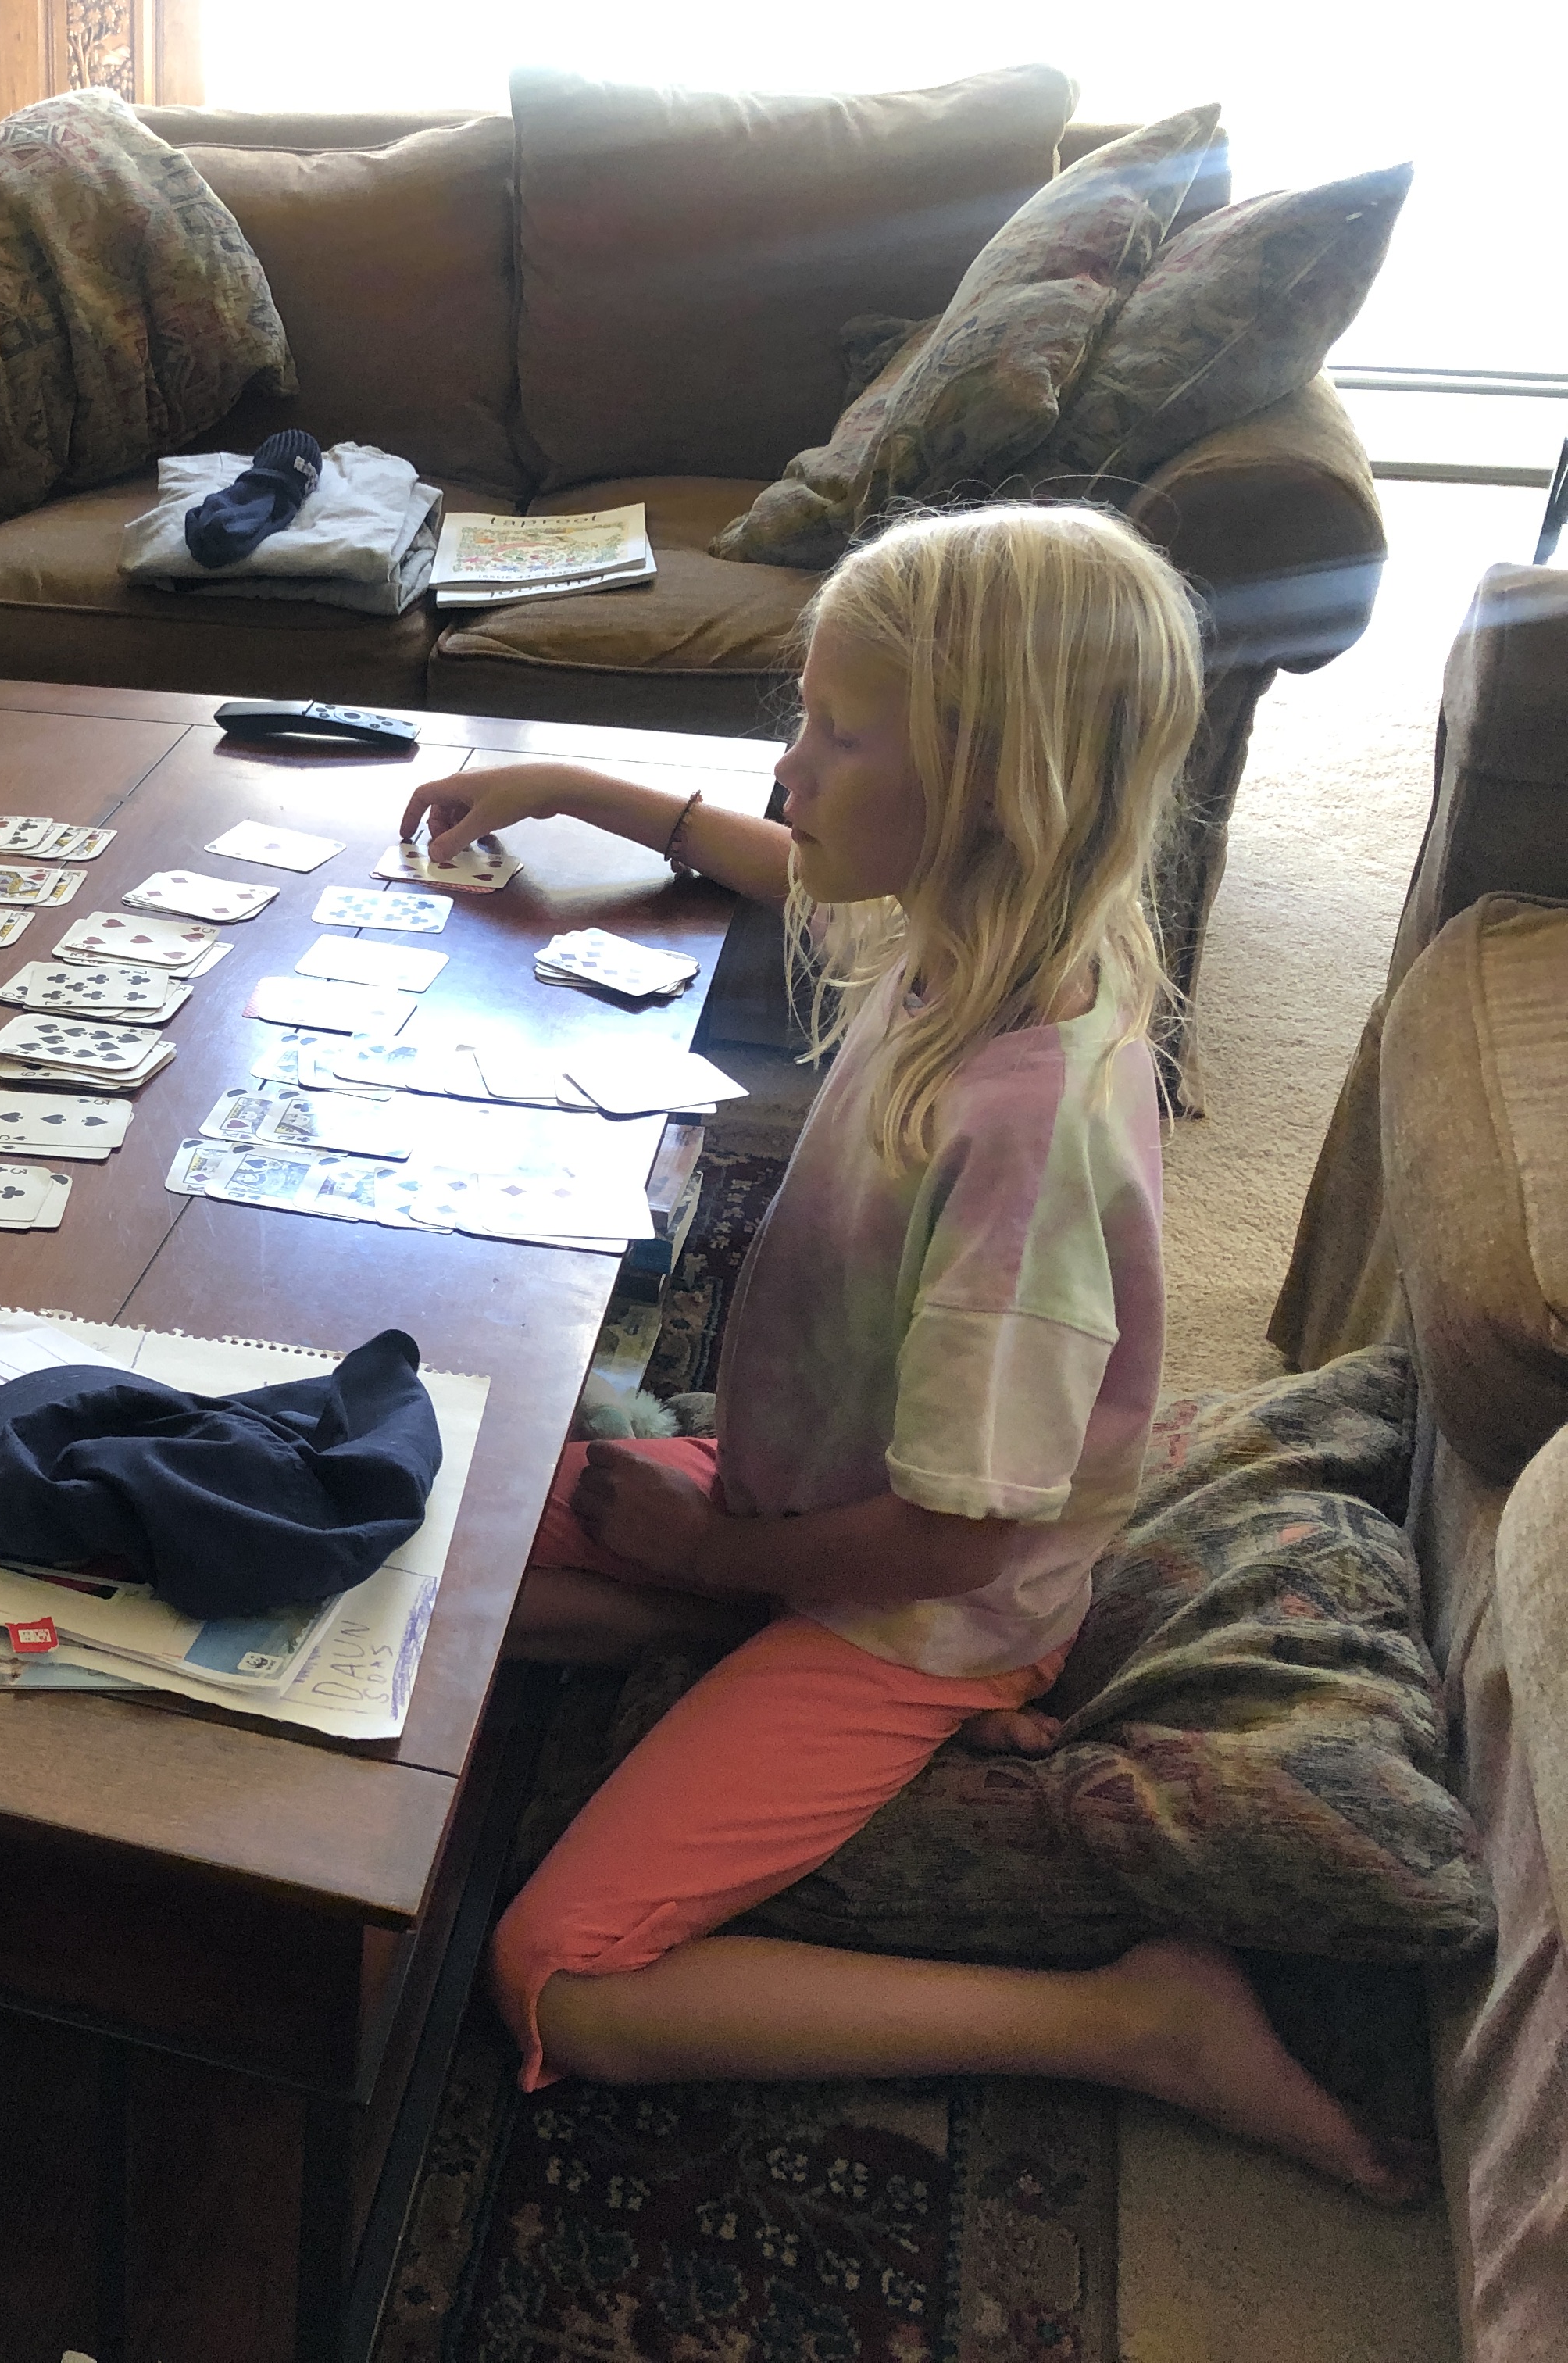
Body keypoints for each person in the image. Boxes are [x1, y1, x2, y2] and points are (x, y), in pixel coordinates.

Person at [405, 505, 1409, 2203]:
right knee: (434, 1522)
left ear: (991, 792)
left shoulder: (1028, 1132)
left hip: (923, 1603)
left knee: (559, 1973)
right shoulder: (974, 927)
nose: (790, 772)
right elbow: (789, 859)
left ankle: (1133, 2021)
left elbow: (961, 1535)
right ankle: (715, 1626)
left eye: (834, 734)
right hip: (801, 1491)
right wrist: (567, 787)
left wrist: (717, 1555)